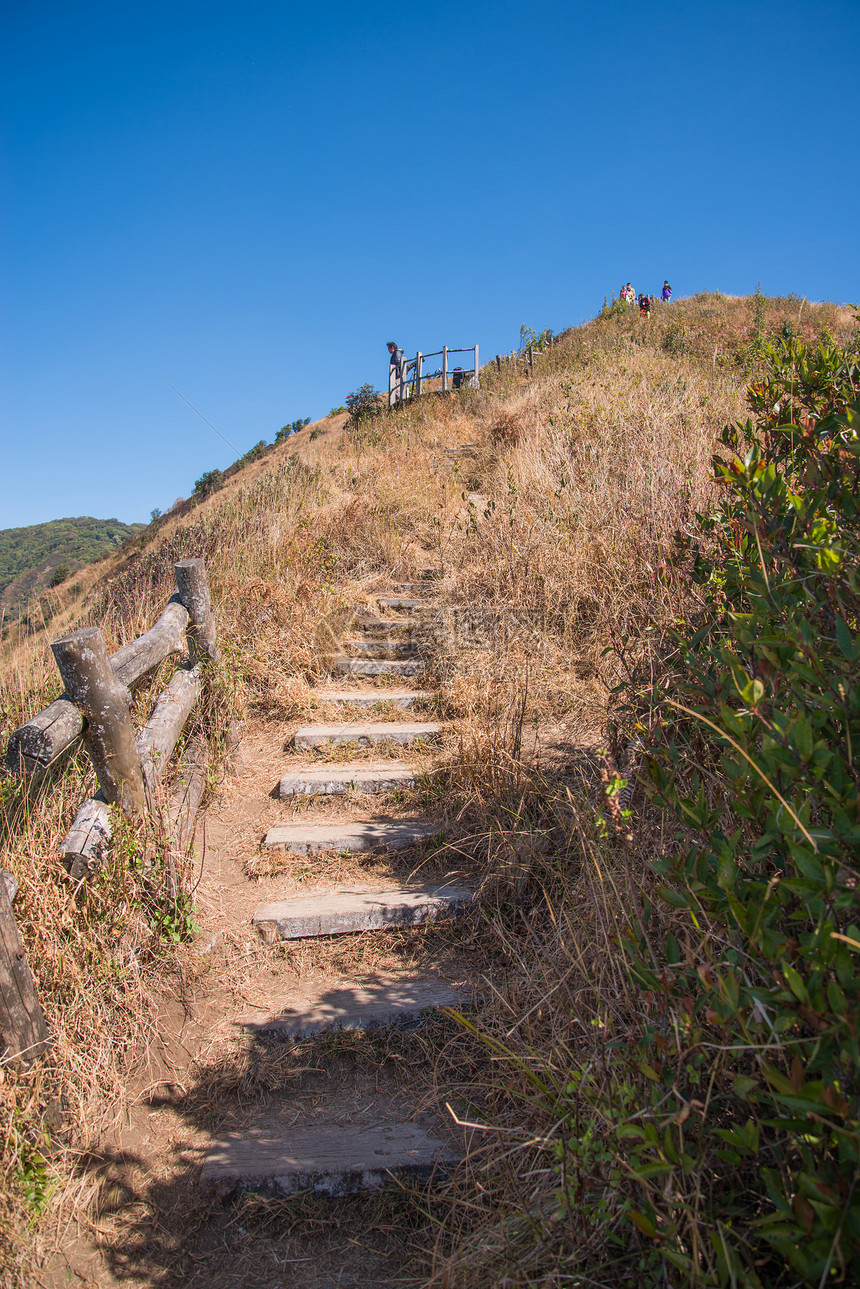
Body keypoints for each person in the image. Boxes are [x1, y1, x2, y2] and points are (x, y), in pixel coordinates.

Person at [387, 340, 406, 406]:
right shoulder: (396, 353)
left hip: (397, 376)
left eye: (388, 348)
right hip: (398, 375)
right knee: (396, 392)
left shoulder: (396, 353)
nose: (388, 350)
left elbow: (398, 363)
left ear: (392, 347)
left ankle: (398, 405)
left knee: (396, 392)